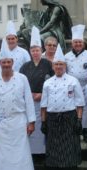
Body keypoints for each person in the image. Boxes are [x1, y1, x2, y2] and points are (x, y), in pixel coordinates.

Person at [41, 44, 85, 170]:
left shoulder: (73, 81)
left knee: (71, 147)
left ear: (65, 66)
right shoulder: (47, 83)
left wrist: (79, 120)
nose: (58, 66)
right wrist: (43, 121)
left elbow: (79, 103)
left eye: (61, 64)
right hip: (53, 119)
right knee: (54, 148)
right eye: (56, 64)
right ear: (53, 66)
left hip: (69, 117)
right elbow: (44, 105)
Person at [20, 26, 54, 155]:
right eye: (33, 50)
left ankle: (42, 152)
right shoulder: (25, 67)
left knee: (42, 127)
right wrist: (28, 96)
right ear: (30, 51)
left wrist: (42, 94)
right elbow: (20, 84)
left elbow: (52, 82)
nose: (35, 52)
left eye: (37, 50)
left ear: (41, 50)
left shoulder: (48, 64)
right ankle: (32, 152)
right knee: (30, 125)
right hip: (29, 102)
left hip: (44, 102)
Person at [65, 24, 87, 143]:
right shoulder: (66, 56)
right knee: (73, 109)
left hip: (86, 86)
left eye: (79, 42)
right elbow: (65, 73)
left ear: (83, 43)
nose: (77, 44)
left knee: (86, 109)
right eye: (75, 42)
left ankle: (86, 131)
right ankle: (75, 130)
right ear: (72, 43)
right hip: (72, 88)